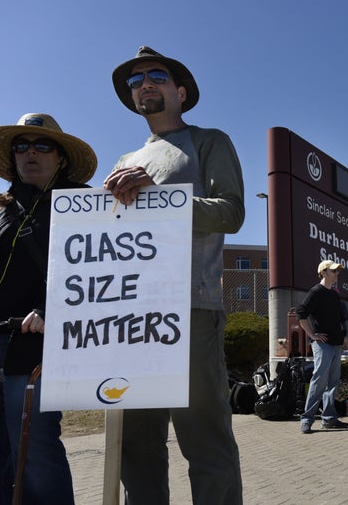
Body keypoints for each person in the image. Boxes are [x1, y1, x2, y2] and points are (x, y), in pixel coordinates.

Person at [104, 46, 245, 505]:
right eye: (135, 80)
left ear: (180, 92)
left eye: (156, 75)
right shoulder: (124, 158)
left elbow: (232, 212)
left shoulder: (209, 142)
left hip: (191, 310)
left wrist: (162, 197)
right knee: (137, 447)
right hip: (131, 320)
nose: (144, 83)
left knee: (205, 442)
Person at [0, 113, 97, 505]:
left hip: (37, 351)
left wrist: (52, 308)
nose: (31, 153)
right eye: (22, 146)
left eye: (42, 145)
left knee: (34, 454)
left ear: (60, 157)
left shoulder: (87, 205)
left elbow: (98, 273)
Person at [296, 260, 348, 434]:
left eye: (337, 271)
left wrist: (344, 337)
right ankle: (306, 419)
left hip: (336, 344)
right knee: (319, 380)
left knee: (332, 383)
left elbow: (340, 319)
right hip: (322, 344)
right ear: (323, 273)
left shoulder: (334, 294)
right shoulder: (316, 292)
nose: (336, 274)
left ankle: (329, 419)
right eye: (333, 271)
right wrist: (312, 335)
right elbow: (301, 313)